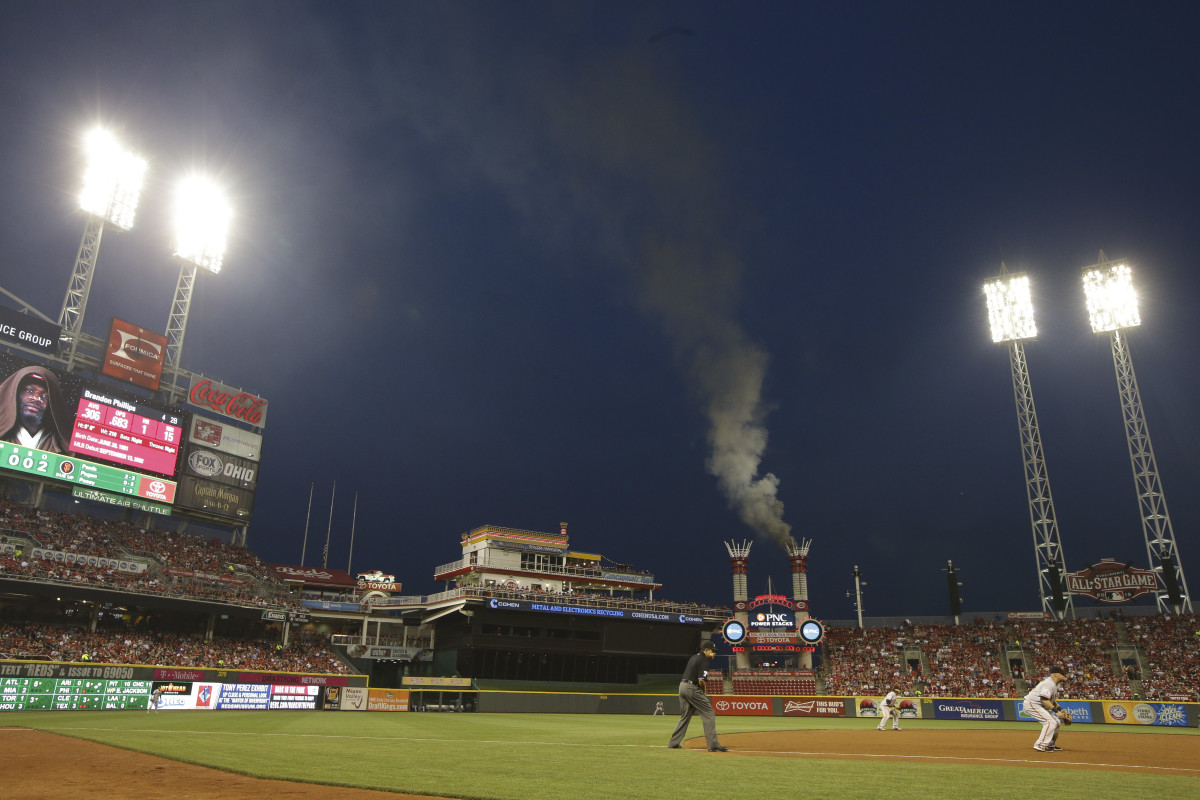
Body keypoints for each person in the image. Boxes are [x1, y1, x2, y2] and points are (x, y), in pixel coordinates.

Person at [667, 642, 726, 751]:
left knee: (685, 716)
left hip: (682, 686)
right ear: (706, 650)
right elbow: (701, 680)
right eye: (712, 651)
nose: (714, 653)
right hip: (692, 688)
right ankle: (713, 745)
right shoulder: (704, 660)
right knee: (709, 713)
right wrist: (703, 692)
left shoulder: (694, 657)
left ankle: (673, 743)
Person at [0, 365, 69, 453]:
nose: (36, 398)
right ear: (15, 394)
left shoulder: (65, 448)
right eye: (29, 390)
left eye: (45, 396)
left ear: (52, 405)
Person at [1023, 666, 1067, 752]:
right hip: (1032, 704)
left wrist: (1060, 710)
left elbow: (1052, 701)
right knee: (1050, 722)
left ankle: (1050, 744)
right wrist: (1056, 712)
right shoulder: (1049, 683)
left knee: (1057, 722)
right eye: (1063, 674)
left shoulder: (1053, 684)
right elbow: (1044, 699)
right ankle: (1040, 744)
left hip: (1038, 705)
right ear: (1056, 675)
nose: (1064, 676)